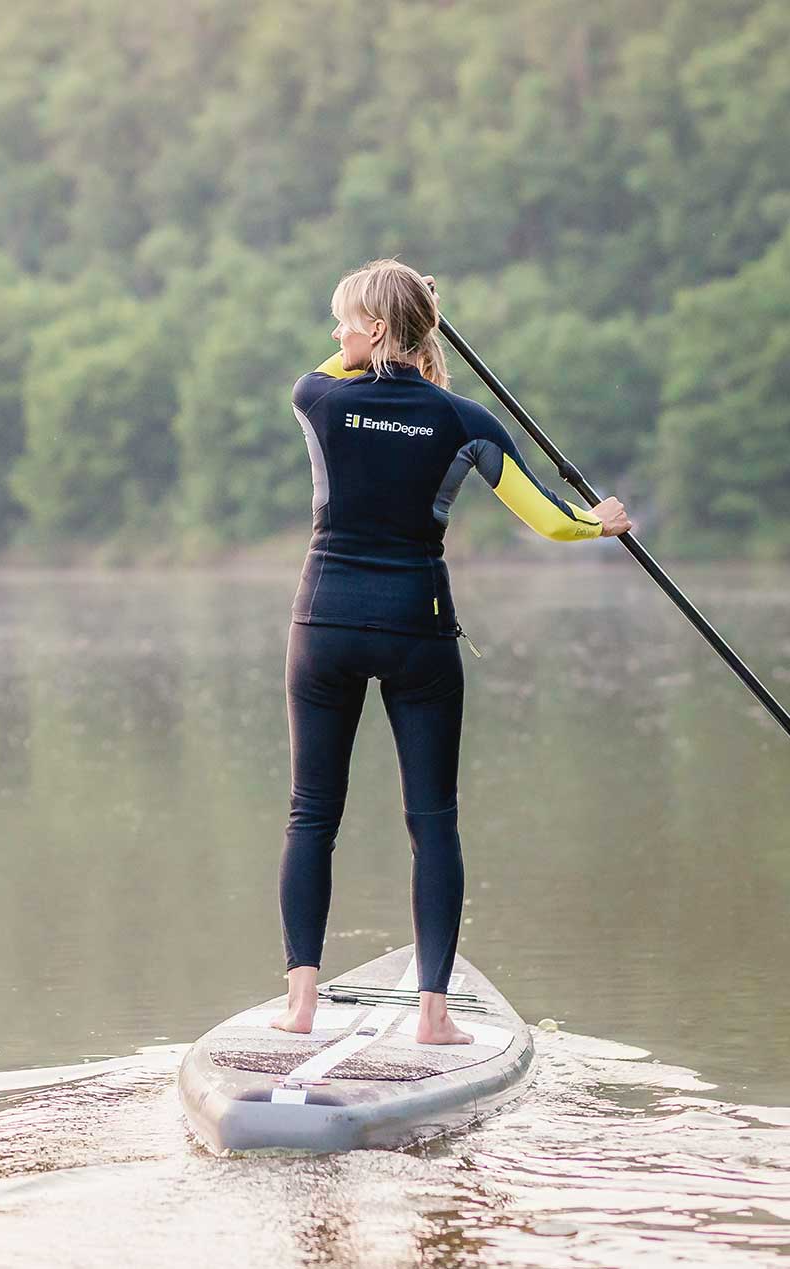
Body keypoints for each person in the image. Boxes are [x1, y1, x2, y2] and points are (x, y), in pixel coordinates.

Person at [274, 259, 633, 1045]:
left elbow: (335, 364)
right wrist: (598, 521)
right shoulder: (465, 420)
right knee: (432, 822)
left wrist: (402, 323)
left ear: (371, 330)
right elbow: (548, 520)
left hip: (325, 625)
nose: (336, 335)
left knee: (312, 813)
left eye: (346, 320)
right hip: (417, 630)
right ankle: (433, 1016)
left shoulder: (318, 397)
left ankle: (300, 1005)